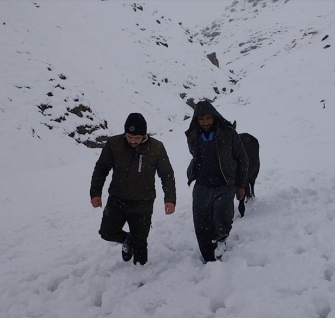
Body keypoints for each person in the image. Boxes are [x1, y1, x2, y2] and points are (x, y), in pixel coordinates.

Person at [90, 113, 176, 265]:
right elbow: (101, 169)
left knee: (140, 243)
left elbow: (166, 174)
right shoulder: (114, 144)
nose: (133, 141)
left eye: (137, 138)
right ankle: (126, 240)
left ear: (144, 135)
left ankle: (140, 277)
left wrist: (170, 199)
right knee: (107, 232)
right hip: (117, 199)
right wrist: (95, 192)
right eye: (130, 137)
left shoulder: (156, 147)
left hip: (143, 202)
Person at [185, 101, 249, 262]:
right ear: (196, 120)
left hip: (225, 183)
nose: (205, 122)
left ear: (214, 117)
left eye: (208, 118)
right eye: (201, 119)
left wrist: (241, 185)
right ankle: (207, 253)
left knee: (222, 217)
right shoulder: (193, 135)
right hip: (202, 183)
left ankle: (220, 239)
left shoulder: (228, 133)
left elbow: (242, 159)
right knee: (201, 221)